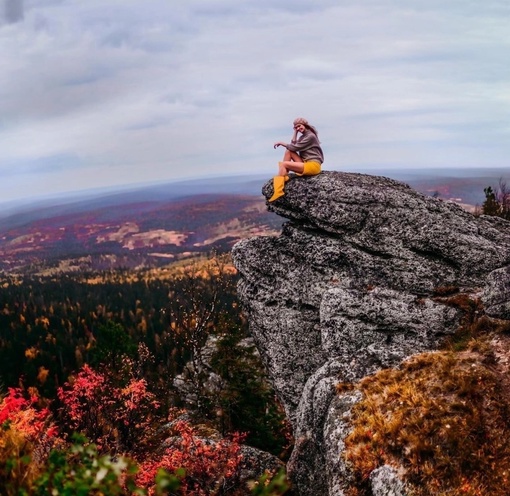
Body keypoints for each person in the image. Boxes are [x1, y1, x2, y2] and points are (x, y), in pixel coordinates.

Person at [269, 117, 324, 202]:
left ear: (304, 125)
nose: (298, 128)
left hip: (313, 166)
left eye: (299, 126)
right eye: (296, 127)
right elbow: (292, 146)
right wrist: (295, 132)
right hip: (305, 163)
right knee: (289, 151)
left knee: (284, 164)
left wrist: (281, 142)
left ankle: (278, 191)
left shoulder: (310, 136)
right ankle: (284, 176)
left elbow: (294, 147)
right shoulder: (303, 137)